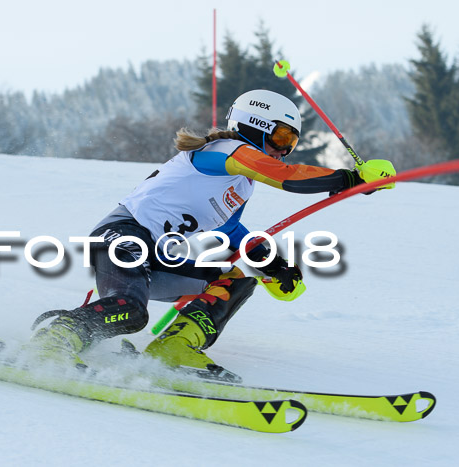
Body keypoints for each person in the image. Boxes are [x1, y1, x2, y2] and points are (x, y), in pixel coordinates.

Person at [30, 89, 375, 374]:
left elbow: (231, 231)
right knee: (131, 311)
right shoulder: (224, 152)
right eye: (282, 136)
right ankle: (56, 341)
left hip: (159, 257)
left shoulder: (239, 183)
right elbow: (286, 175)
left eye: (292, 142)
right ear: (255, 125)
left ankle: (175, 348)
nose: (285, 148)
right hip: (123, 236)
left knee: (237, 279)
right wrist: (348, 179)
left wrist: (272, 264)